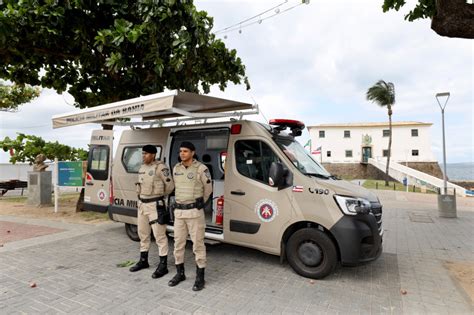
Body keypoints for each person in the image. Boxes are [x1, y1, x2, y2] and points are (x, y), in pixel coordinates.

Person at [168, 141, 212, 291]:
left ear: (192, 153)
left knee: (197, 245)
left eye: (185, 151)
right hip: (179, 213)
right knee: (178, 244)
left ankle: (200, 277)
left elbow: (208, 189)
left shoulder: (201, 168)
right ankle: (180, 273)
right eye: (181, 151)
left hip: (194, 212)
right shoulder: (176, 168)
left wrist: (199, 204)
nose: (182, 154)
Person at [129, 145, 174, 279]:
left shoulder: (161, 167)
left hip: (155, 205)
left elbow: (170, 186)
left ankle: (163, 265)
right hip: (142, 204)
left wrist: (159, 196)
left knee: (159, 236)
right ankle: (143, 261)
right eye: (143, 154)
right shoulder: (142, 167)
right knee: (143, 234)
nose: (143, 156)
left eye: (146, 154)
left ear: (154, 155)